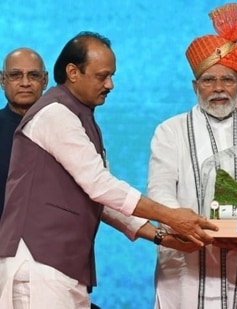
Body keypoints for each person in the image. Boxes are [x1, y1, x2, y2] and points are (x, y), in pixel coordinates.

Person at [0, 31, 218, 309]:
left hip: (60, 268)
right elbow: (100, 186)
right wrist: (171, 217)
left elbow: (102, 199)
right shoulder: (55, 114)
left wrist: (161, 236)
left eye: (111, 75)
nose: (110, 84)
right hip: (39, 267)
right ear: (73, 72)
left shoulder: (79, 116)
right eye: (102, 76)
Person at [147, 3, 237, 309]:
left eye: (228, 80)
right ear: (195, 86)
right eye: (209, 80)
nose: (219, 89)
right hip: (185, 272)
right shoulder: (170, 131)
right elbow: (159, 192)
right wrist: (187, 226)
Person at [0, 48, 48, 218]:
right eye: (16, 75)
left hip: (51, 239)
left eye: (33, 75)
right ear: (2, 80)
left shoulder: (64, 129)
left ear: (45, 80)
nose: (25, 83)